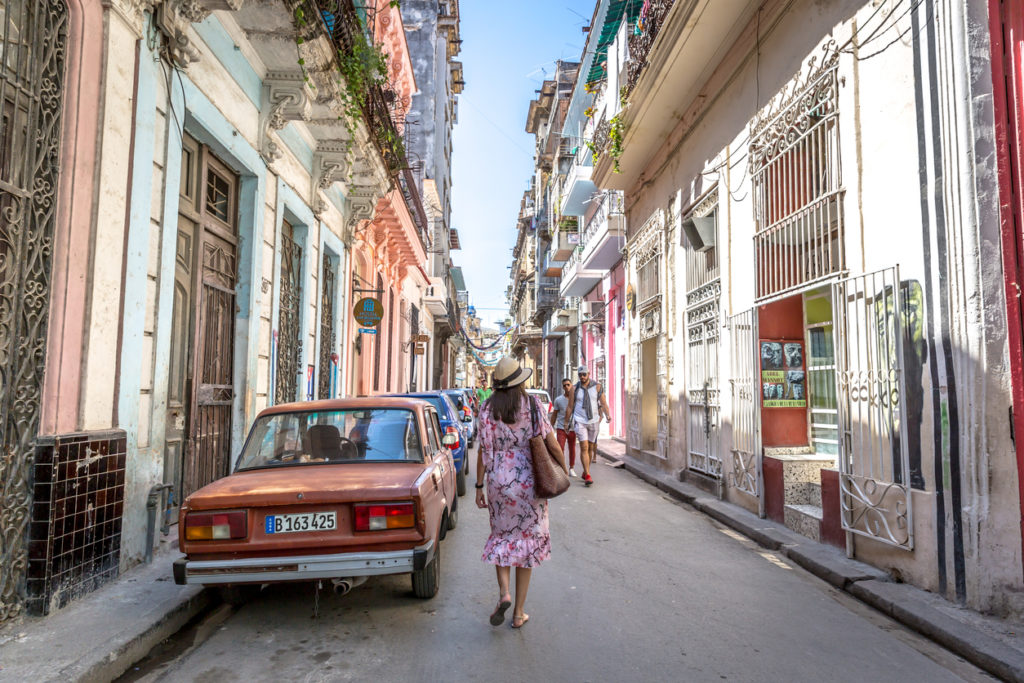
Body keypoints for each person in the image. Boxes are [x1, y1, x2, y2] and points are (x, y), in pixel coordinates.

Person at [474, 356, 552, 629]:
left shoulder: (485, 409)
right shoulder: (532, 405)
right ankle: (519, 613)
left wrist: (478, 486)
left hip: (498, 481)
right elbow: (548, 438)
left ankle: (504, 592)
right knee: (527, 543)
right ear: (520, 381)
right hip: (529, 480)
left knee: (502, 537)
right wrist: (562, 466)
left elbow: (484, 451)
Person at [564, 365, 611, 487]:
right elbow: (570, 406)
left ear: (589, 374)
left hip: (593, 420)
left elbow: (603, 402)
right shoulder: (574, 389)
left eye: (584, 374)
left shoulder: (597, 387)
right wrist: (566, 422)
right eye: (580, 375)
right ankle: (588, 475)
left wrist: (608, 415)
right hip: (579, 420)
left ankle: (586, 471)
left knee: (590, 447)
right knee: (584, 447)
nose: (582, 377)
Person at [550, 379, 577, 476]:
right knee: (560, 448)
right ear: (562, 387)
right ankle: (562, 467)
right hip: (561, 427)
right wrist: (550, 427)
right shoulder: (558, 400)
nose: (566, 387)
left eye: (568, 385)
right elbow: (554, 414)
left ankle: (572, 468)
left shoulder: (576, 399)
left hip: (573, 427)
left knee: (572, 448)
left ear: (572, 386)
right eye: (564, 385)